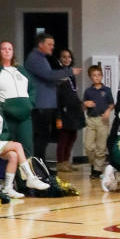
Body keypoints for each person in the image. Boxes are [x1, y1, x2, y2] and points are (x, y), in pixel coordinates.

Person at [0, 91, 42, 200]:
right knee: (17, 146)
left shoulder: (0, 112)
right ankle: (30, 177)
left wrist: (0, 139)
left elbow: (6, 132)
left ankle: (8, 188)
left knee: (13, 155)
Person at [23, 33, 72, 162]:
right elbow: (48, 75)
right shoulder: (35, 58)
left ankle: (41, 165)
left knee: (44, 137)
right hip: (41, 105)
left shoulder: (41, 58)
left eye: (53, 45)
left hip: (46, 104)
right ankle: (39, 165)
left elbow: (45, 78)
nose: (52, 47)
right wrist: (70, 71)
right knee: (41, 137)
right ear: (40, 44)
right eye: (49, 44)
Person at [0, 41, 35, 155]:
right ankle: (11, 172)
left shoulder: (20, 70)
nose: (7, 51)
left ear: (13, 52)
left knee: (27, 147)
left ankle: (26, 172)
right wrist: (0, 108)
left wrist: (30, 104)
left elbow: (32, 88)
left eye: (9, 49)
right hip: (7, 116)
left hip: (25, 116)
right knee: (10, 148)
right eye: (4, 49)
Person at [53, 46, 84, 174]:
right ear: (60, 59)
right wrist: (58, 115)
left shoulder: (71, 75)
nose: (67, 59)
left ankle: (66, 161)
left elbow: (73, 92)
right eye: (64, 57)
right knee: (64, 136)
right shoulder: (59, 73)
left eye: (69, 57)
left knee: (73, 135)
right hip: (63, 109)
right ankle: (60, 162)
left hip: (73, 109)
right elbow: (58, 95)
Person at [82, 63, 115, 172]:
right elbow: (83, 107)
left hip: (103, 121)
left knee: (101, 147)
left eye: (99, 75)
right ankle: (93, 164)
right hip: (91, 120)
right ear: (90, 77)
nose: (97, 77)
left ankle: (97, 170)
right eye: (94, 75)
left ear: (102, 76)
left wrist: (107, 112)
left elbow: (111, 104)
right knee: (88, 146)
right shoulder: (88, 91)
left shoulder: (107, 90)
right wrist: (85, 104)